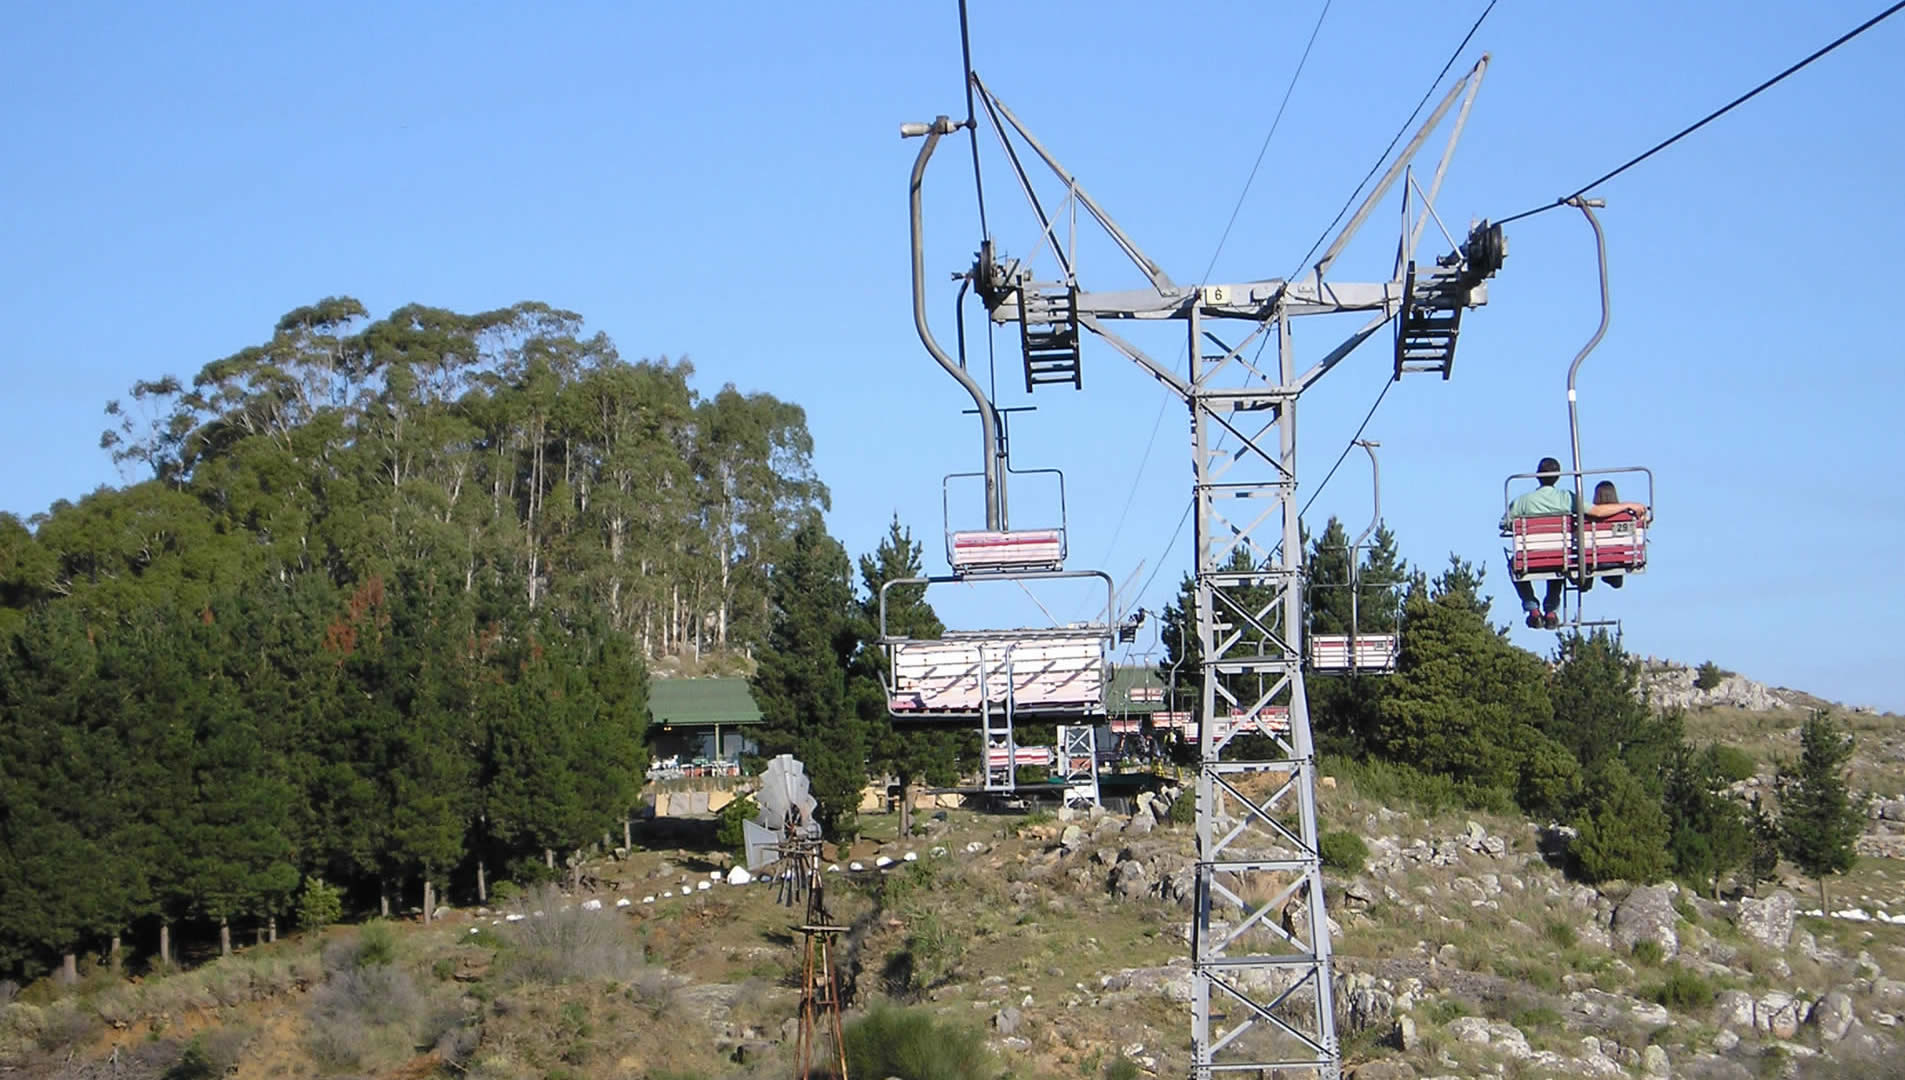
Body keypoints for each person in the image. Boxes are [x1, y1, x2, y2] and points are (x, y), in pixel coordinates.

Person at [1501, 458, 1649, 628]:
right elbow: (1597, 512)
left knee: (1517, 564)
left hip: (1531, 556)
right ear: (1557, 476)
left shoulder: (1522, 501)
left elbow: (1505, 523)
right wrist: (1629, 505)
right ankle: (1551, 611)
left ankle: (1532, 608)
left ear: (1538, 476)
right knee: (1558, 560)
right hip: (1560, 556)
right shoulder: (1567, 498)